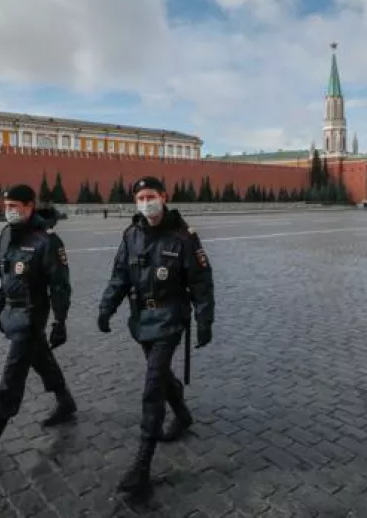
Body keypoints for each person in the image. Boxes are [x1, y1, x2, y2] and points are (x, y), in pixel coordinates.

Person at [97, 176, 215, 496]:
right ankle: (183, 414)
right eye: (140, 197)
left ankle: (142, 465)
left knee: (152, 386)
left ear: (164, 196)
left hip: (170, 318)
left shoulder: (183, 237)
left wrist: (205, 322)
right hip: (142, 320)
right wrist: (106, 309)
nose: (145, 202)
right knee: (160, 375)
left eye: (151, 195)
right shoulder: (132, 234)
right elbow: (120, 276)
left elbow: (201, 283)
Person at [0, 184, 76, 473]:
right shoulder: (6, 234)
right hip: (10, 312)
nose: (10, 211)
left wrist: (60, 321)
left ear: (30, 206)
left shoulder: (47, 241)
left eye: (16, 206)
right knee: (40, 358)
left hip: (31, 315)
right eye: (7, 206)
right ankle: (65, 401)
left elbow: (60, 287)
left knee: (12, 375)